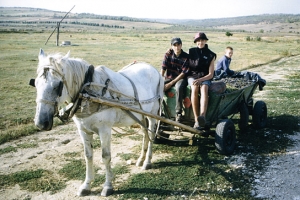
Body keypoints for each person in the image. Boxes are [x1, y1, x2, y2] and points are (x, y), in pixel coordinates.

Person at [188, 32, 216, 129]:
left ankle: (202, 117)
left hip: (205, 77)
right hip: (192, 76)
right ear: (196, 42)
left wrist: (201, 80)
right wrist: (170, 50)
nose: (200, 42)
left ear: (205, 41)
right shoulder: (191, 51)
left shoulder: (211, 55)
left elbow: (211, 74)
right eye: (198, 40)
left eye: (202, 40)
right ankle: (196, 120)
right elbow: (179, 53)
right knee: (194, 88)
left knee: (204, 89)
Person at [161, 37, 189, 122]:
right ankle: (160, 110)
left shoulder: (186, 57)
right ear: (171, 46)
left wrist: (171, 83)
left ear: (181, 45)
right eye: (175, 45)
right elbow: (163, 68)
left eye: (178, 45)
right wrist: (160, 80)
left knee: (178, 87)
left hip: (180, 78)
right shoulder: (168, 54)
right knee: (158, 87)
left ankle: (178, 113)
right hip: (169, 77)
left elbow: (183, 73)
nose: (177, 47)